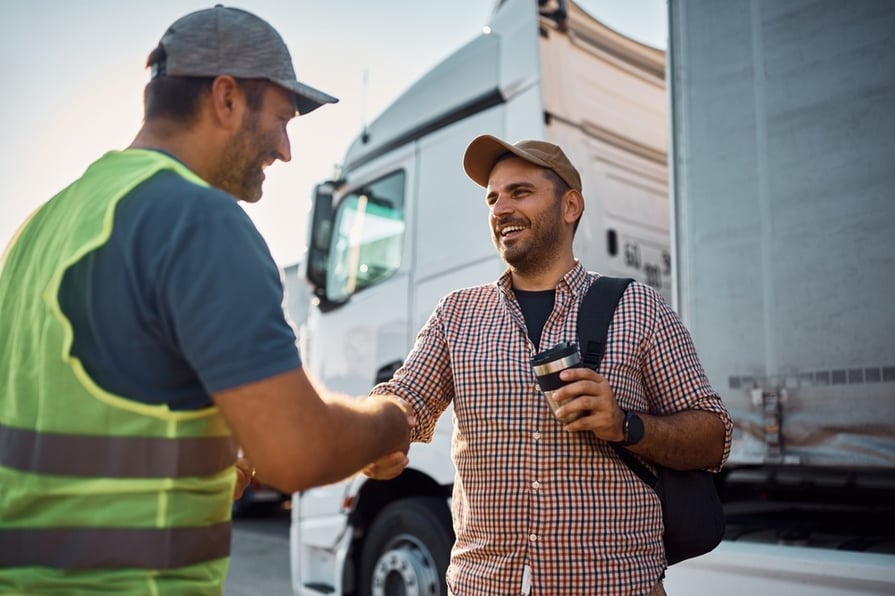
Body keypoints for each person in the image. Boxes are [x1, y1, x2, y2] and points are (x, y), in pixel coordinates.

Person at [0, 6, 412, 594]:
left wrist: (206, 462)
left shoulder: (40, 226)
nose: (287, 149)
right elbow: (297, 452)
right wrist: (389, 423)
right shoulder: (197, 219)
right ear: (226, 98)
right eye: (282, 117)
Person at [364, 134, 733, 595]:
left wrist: (625, 425)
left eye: (520, 192)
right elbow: (405, 399)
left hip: (617, 586)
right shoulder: (456, 314)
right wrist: (375, 436)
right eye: (492, 198)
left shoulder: (638, 307)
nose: (500, 209)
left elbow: (714, 435)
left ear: (570, 205)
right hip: (485, 587)